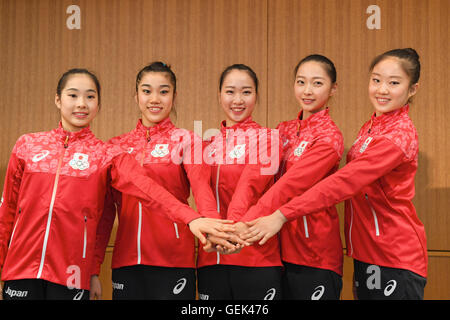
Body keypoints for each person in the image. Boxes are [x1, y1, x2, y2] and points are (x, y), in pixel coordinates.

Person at [0, 68, 240, 300]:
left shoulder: (108, 154)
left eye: (90, 97)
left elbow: (152, 190)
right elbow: (8, 212)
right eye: (73, 95)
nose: (81, 103)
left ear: (98, 104)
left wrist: (198, 219)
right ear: (57, 99)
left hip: (86, 271)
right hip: (23, 269)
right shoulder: (28, 145)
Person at [244, 48, 428, 300]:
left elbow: (344, 182)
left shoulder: (397, 135)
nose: (382, 89)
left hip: (395, 253)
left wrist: (280, 215)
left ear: (412, 89)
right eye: (376, 80)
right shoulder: (371, 126)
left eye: (393, 83)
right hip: (366, 252)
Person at [92, 62, 237, 300]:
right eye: (147, 91)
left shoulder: (187, 140)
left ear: (174, 96)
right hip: (126, 262)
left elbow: (202, 191)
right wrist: (94, 267)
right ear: (136, 95)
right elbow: (105, 213)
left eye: (164, 91)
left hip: (173, 260)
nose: (155, 99)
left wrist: (213, 230)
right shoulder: (115, 147)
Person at [241, 55, 344, 300]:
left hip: (314, 253)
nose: (307, 91)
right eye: (301, 82)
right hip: (274, 248)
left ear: (333, 89)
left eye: (317, 83)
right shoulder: (282, 130)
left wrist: (243, 225)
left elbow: (290, 185)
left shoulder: (330, 137)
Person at [197, 64, 283, 300]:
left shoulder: (269, 139)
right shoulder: (206, 145)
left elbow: (250, 186)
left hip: (256, 256)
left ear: (256, 95)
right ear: (219, 95)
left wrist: (227, 234)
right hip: (211, 258)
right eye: (230, 92)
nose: (238, 100)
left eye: (246, 92)